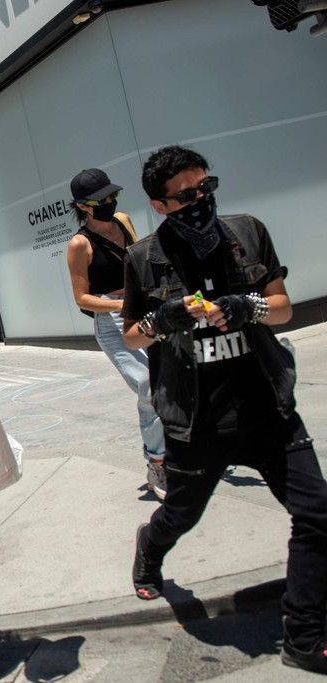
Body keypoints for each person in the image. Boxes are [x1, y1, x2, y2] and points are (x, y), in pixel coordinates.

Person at [123, 146, 327, 675]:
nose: (200, 201)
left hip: (266, 406)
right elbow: (131, 335)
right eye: (184, 196)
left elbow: (282, 308)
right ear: (159, 205)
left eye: (205, 187)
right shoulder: (144, 258)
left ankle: (304, 634)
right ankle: (151, 545)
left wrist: (247, 307)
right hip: (198, 422)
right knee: (181, 514)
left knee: (318, 514)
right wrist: (164, 319)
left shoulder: (247, 233)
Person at [66, 168, 167, 499]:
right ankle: (157, 461)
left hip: (144, 307)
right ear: (83, 206)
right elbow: (82, 298)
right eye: (101, 200)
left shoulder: (123, 221)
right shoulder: (79, 244)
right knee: (148, 383)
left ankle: (182, 443)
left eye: (112, 195)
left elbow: (139, 261)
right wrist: (122, 303)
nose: (110, 202)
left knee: (173, 372)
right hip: (110, 319)